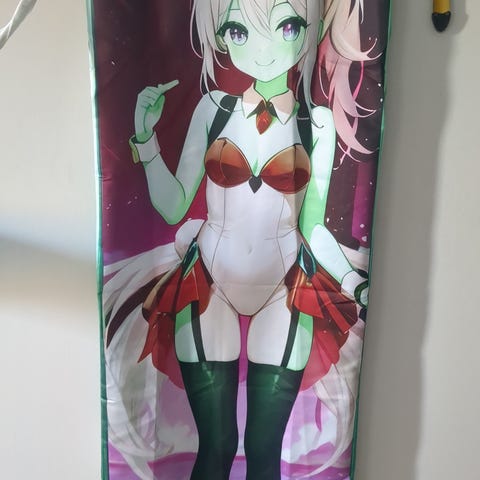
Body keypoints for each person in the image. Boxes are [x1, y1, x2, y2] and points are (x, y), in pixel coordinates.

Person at [106, 1, 370, 478]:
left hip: (284, 289)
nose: (264, 47)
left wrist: (353, 281)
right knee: (219, 444)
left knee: (265, 450)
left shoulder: (317, 123)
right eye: (239, 31)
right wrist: (146, 139)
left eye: (286, 26)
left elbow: (313, 227)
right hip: (208, 281)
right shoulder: (213, 109)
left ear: (311, 29)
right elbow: (173, 205)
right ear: (222, 38)